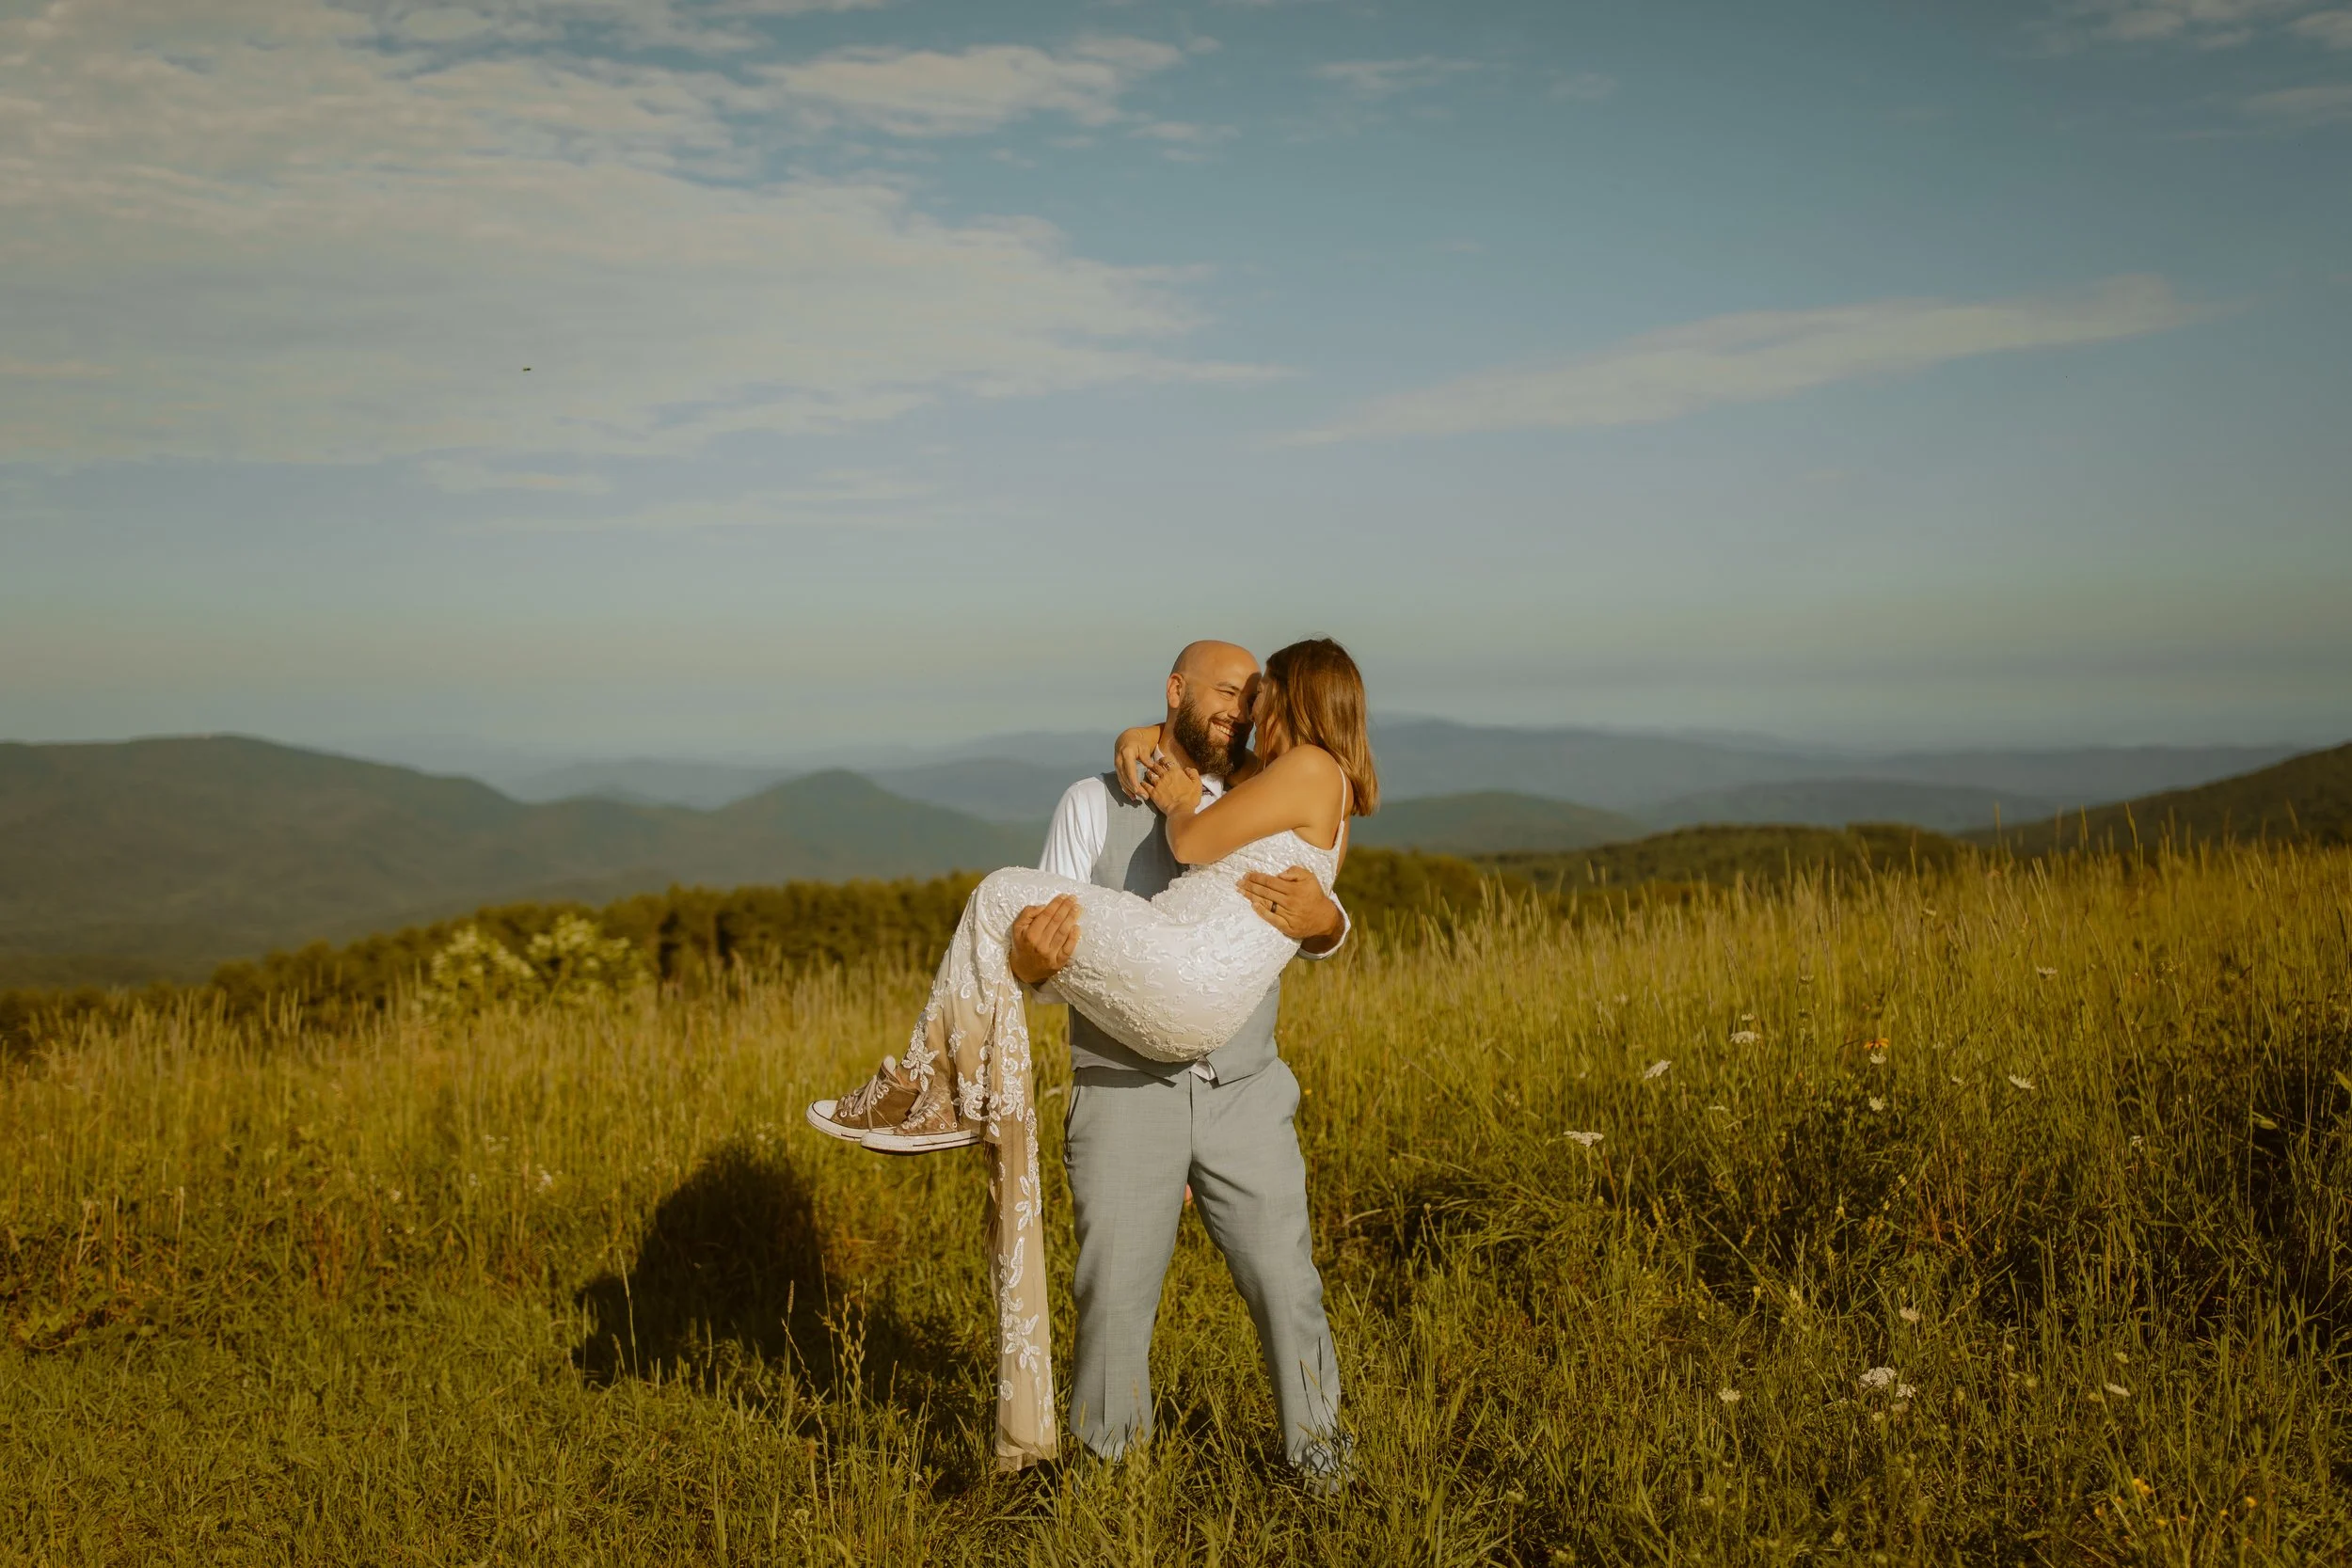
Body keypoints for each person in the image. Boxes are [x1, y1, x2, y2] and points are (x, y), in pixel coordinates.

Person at [806, 638, 1376, 1478]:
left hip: (1241, 1087)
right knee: (1112, 1300)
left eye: (1256, 695)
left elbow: (1310, 900)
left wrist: (1327, 921)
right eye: (1228, 693)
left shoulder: (1259, 783)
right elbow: (1043, 969)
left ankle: (1327, 1465)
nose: (1244, 709)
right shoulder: (1091, 802)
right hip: (1122, 1090)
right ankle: (1111, 1479)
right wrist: (1031, 969)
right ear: (1177, 693)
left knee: (1285, 1285)